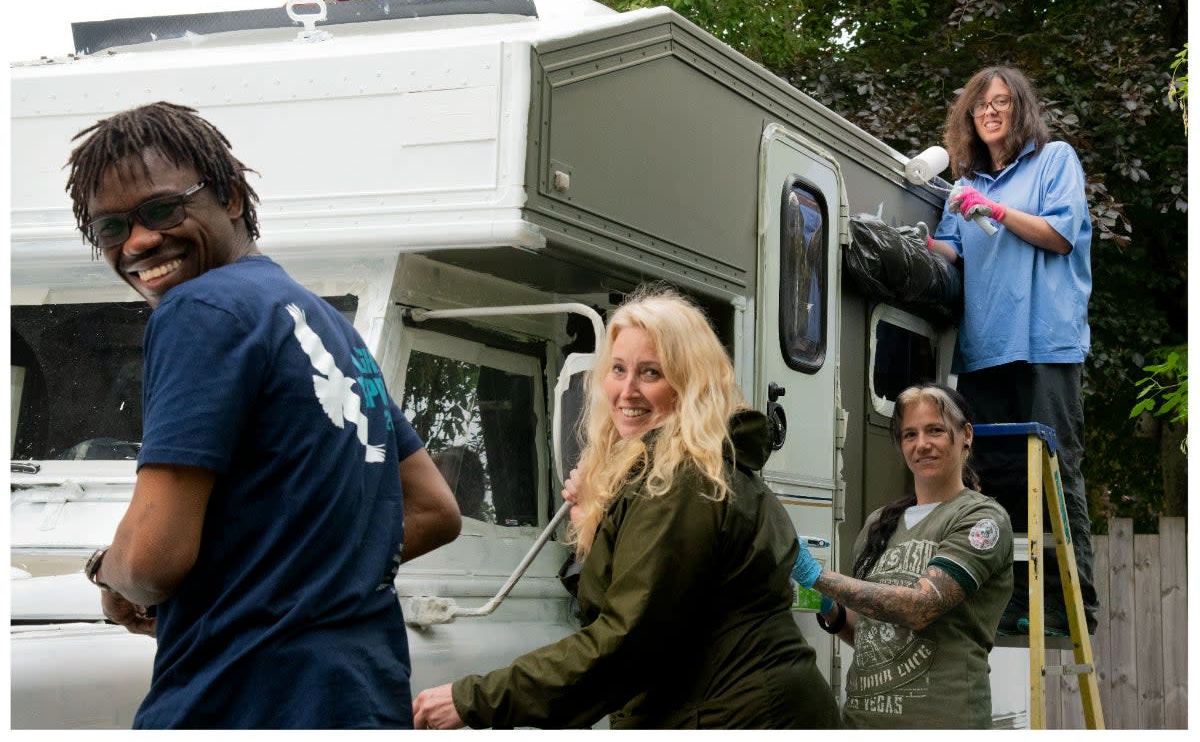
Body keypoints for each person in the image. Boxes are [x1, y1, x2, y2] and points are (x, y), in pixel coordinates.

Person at [65, 102, 462, 729]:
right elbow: (435, 511)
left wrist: (104, 572)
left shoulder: (198, 309)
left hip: (241, 700)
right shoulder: (326, 324)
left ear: (228, 197)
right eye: (110, 228)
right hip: (360, 698)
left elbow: (149, 562)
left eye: (163, 210)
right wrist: (293, 581)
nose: (138, 242)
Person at [412, 285, 838, 729]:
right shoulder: (681, 467)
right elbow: (648, 600)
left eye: (651, 373)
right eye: (618, 369)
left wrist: (474, 699)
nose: (626, 391)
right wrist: (593, 528)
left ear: (689, 383)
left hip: (742, 715)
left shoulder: (683, 482)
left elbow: (628, 641)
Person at [926, 65, 1097, 636]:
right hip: (985, 349)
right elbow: (948, 253)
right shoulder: (964, 186)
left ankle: (1069, 609)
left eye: (1001, 102)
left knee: (1051, 470)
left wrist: (996, 211)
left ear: (1020, 109)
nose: (990, 112)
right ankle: (1013, 606)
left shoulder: (1055, 162)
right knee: (993, 478)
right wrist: (908, 239)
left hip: (1046, 343)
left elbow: (1060, 233)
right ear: (968, 119)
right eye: (980, 106)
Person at [791, 384, 1013, 729]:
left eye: (935, 430)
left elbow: (919, 608)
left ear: (965, 435)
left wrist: (820, 577)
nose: (921, 444)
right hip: (860, 724)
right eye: (910, 434)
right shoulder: (878, 524)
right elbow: (870, 633)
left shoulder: (982, 519)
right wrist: (831, 609)